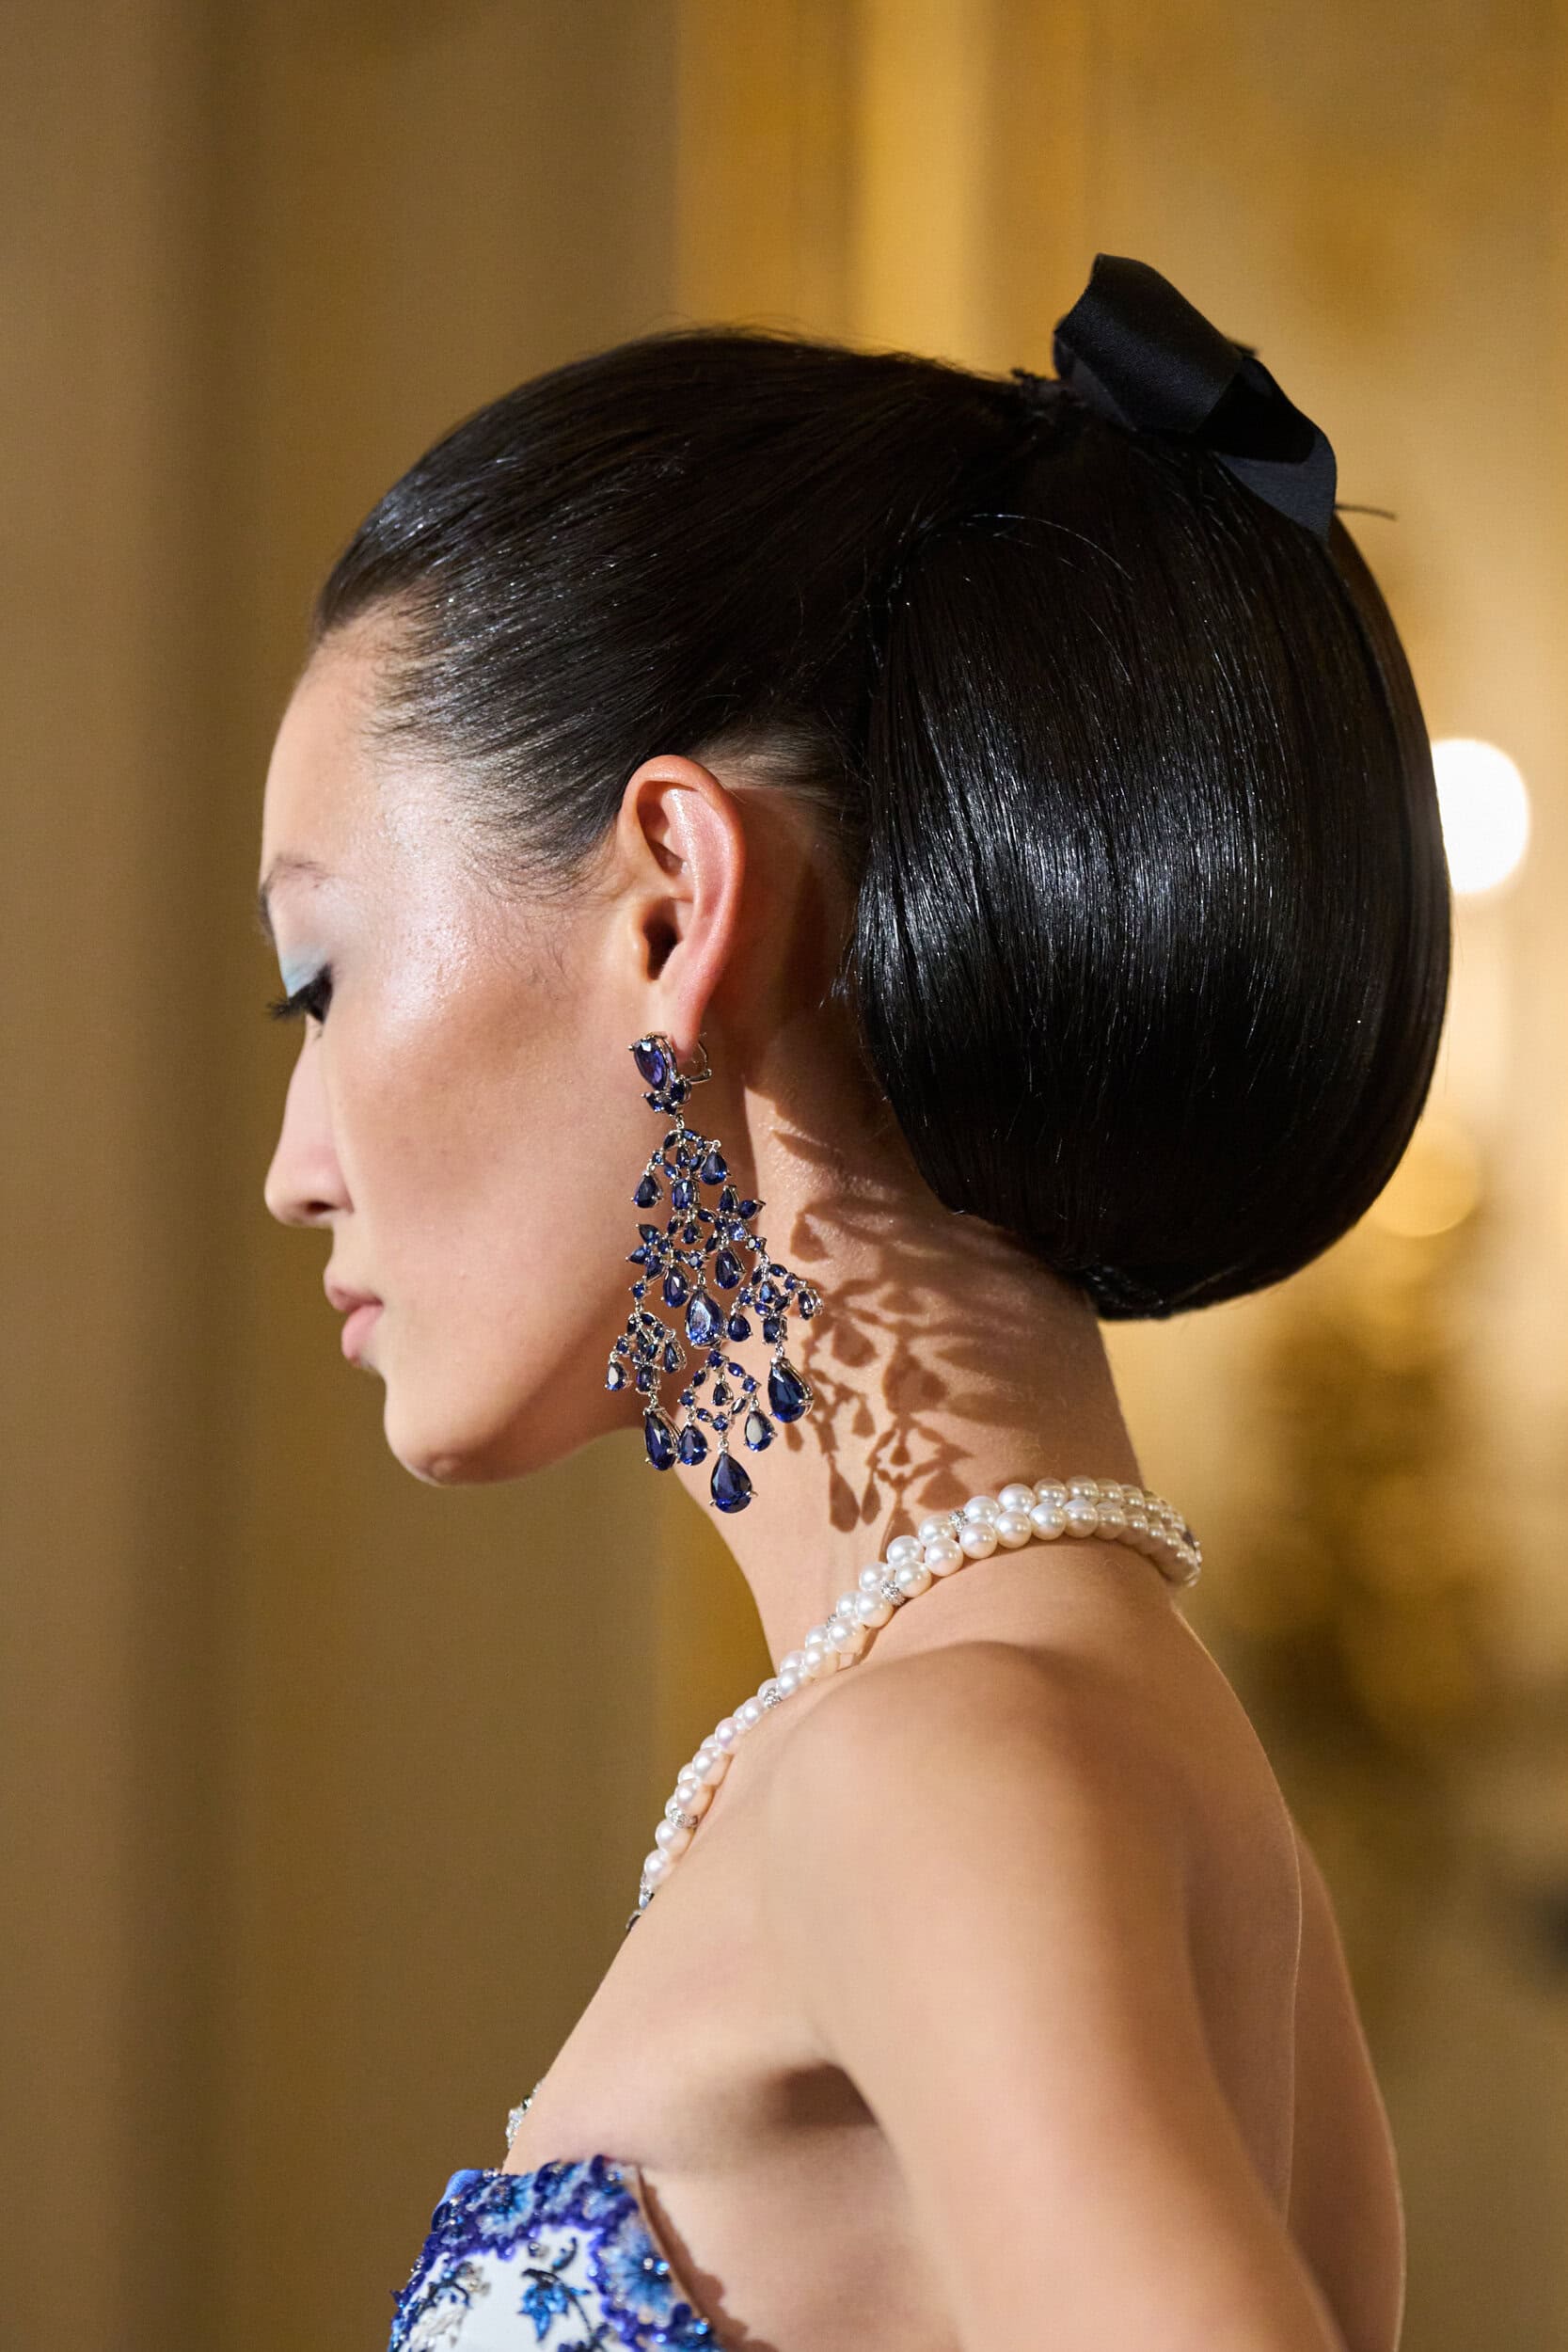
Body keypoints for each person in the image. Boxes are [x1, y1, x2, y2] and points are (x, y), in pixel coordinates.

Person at [257, 255, 1447, 2351]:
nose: (294, 1163)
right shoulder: (1140, 1774)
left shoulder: (937, 1763)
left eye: (320, 980)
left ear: (672, 906)